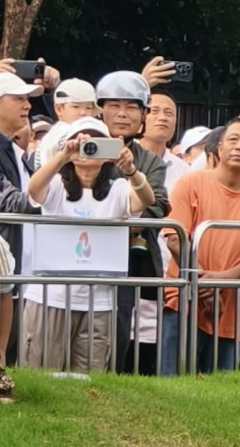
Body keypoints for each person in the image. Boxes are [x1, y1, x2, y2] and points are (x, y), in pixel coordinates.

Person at [19, 118, 156, 371]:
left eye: (96, 143)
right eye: (82, 142)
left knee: (90, 377)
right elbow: (34, 189)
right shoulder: (57, 186)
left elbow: (146, 199)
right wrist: (64, 156)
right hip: (50, 297)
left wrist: (131, 170)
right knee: (41, 372)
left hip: (98, 301)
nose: (88, 149)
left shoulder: (118, 189)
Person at [170, 118, 240, 371]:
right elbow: (175, 238)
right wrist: (206, 287)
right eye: (233, 139)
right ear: (219, 147)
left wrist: (219, 281)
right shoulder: (190, 183)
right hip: (183, 302)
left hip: (231, 313)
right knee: (171, 389)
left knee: (221, 398)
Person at [96, 71, 173, 374]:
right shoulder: (79, 148)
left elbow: (156, 206)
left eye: (132, 107)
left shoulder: (150, 161)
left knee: (118, 326)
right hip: (74, 254)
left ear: (143, 115)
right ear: (100, 108)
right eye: (114, 105)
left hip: (126, 259)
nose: (122, 114)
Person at [0, 68, 42, 359]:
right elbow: (10, 202)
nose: (27, 105)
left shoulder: (13, 147)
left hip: (21, 264)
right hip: (0, 262)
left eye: (27, 99)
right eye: (18, 98)